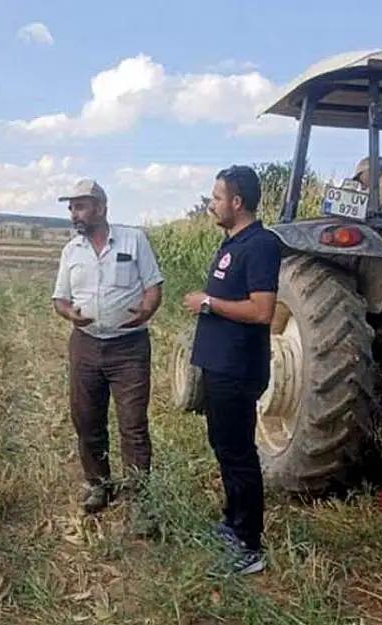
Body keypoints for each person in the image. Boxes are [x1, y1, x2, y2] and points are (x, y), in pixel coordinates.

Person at [182, 165, 280, 575]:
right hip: (220, 367)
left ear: (237, 203)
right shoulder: (231, 243)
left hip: (237, 370)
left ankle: (249, 546)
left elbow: (262, 311)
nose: (211, 204)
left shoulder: (260, 245)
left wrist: (208, 303)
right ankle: (232, 522)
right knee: (224, 448)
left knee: (238, 453)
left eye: (217, 197)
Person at [51, 179, 164, 515]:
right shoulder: (71, 251)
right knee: (86, 420)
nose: (74, 214)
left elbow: (153, 286)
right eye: (71, 207)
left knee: (133, 425)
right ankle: (98, 484)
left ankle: (140, 500)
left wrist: (147, 308)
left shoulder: (134, 240)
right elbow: (59, 298)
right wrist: (70, 313)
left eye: (80, 206)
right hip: (85, 346)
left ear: (100, 207)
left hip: (129, 348)